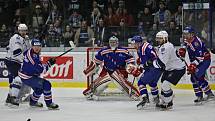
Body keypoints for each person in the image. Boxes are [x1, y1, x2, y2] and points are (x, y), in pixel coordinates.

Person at [83, 36, 140, 100]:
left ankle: (134, 94)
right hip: (107, 71)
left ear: (117, 43)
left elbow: (130, 61)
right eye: (111, 42)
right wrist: (91, 69)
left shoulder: (124, 51)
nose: (113, 43)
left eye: (114, 42)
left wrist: (131, 67)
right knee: (101, 85)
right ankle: (90, 93)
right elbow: (96, 62)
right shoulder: (104, 51)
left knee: (122, 85)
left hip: (120, 71)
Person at [18, 39, 59, 109]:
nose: (37, 48)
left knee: (39, 89)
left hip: (27, 75)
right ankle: (49, 104)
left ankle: (33, 102)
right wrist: (49, 63)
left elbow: (37, 67)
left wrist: (48, 63)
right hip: (27, 77)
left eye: (38, 46)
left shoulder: (31, 52)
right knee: (46, 84)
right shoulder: (33, 57)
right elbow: (41, 70)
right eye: (35, 46)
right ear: (32, 46)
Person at [179, 26, 215, 104]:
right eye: (184, 33)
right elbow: (184, 45)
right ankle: (199, 96)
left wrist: (193, 65)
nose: (184, 35)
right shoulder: (187, 39)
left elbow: (200, 57)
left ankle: (209, 94)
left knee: (197, 75)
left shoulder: (196, 43)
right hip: (197, 61)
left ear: (192, 34)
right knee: (193, 78)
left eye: (186, 34)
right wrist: (182, 50)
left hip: (204, 60)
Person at [128, 35, 164, 109]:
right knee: (152, 83)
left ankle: (145, 99)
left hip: (154, 68)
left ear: (138, 43)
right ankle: (157, 100)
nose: (133, 45)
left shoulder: (146, 47)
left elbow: (155, 57)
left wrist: (147, 63)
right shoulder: (139, 48)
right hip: (156, 69)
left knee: (141, 83)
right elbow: (145, 60)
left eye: (134, 43)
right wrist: (141, 64)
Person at [155, 31, 186, 110]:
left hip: (178, 69)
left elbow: (161, 63)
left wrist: (148, 64)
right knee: (162, 84)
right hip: (170, 68)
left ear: (165, 38)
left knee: (165, 85)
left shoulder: (166, 47)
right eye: (157, 38)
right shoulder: (164, 46)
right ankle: (166, 99)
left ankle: (169, 103)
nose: (158, 40)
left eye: (160, 38)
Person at [5, 23, 31, 106]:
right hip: (13, 61)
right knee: (18, 78)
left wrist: (27, 42)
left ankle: (9, 97)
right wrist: (24, 60)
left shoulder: (23, 39)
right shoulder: (17, 38)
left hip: (14, 61)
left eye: (25, 31)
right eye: (21, 31)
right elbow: (17, 52)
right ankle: (13, 98)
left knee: (14, 80)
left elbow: (28, 50)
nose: (23, 32)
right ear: (18, 30)